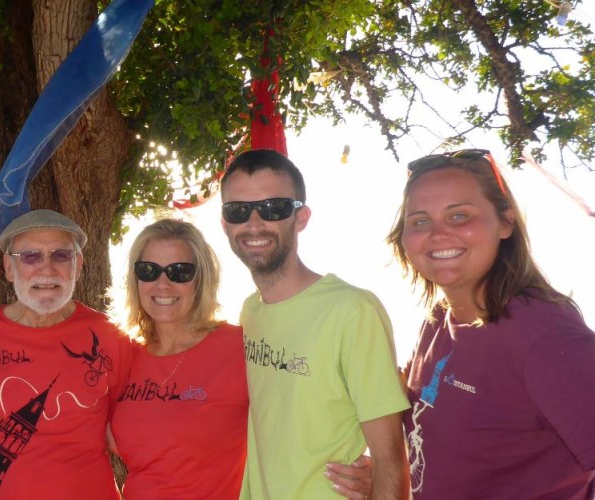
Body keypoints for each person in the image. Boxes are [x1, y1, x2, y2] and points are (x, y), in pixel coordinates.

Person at [387, 149, 595, 498]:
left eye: (459, 215)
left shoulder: (545, 334)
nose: (438, 234)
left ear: (505, 223)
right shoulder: (440, 318)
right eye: (420, 221)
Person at [220, 149, 410, 499]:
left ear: (301, 218)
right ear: (224, 223)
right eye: (238, 211)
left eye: (274, 208)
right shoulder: (250, 312)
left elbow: (390, 458)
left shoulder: (353, 310)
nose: (254, 223)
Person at [0, 209, 133, 500]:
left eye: (61, 256)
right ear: (9, 268)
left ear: (78, 265)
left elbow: (131, 430)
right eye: (31, 256)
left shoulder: (112, 337)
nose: (47, 269)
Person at [108, 218, 247, 499]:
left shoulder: (238, 347)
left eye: (180, 272)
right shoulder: (123, 357)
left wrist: (359, 469)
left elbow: (297, 419)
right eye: (148, 271)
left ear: (202, 278)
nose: (163, 284)